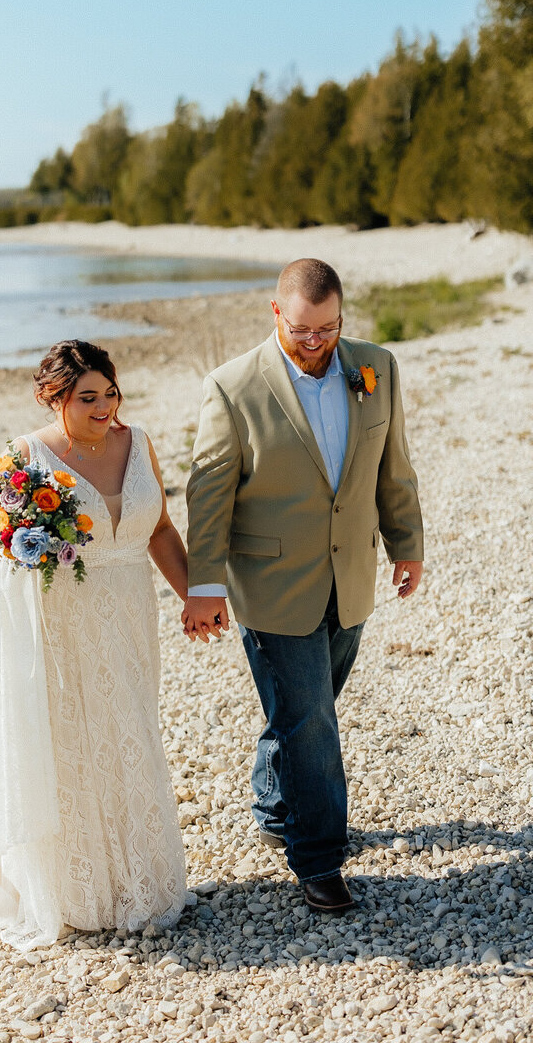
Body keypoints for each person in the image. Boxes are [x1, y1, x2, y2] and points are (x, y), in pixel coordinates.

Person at [182, 258, 423, 914]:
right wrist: (201, 584)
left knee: (306, 710)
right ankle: (319, 860)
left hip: (352, 577)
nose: (315, 341)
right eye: (301, 329)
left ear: (342, 315)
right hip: (270, 584)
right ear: (274, 314)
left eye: (327, 327)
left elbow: (392, 466)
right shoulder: (231, 388)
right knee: (312, 723)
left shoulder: (375, 367)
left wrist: (408, 546)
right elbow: (207, 496)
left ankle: (272, 804)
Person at [0, 339, 187, 949]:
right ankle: (74, 892)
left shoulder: (137, 443)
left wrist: (197, 596)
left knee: (133, 729)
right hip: (61, 625)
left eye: (110, 393)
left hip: (131, 612)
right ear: (53, 397)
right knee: (74, 741)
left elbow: (161, 528)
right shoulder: (23, 457)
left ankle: (143, 883)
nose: (104, 408)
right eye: (87, 397)